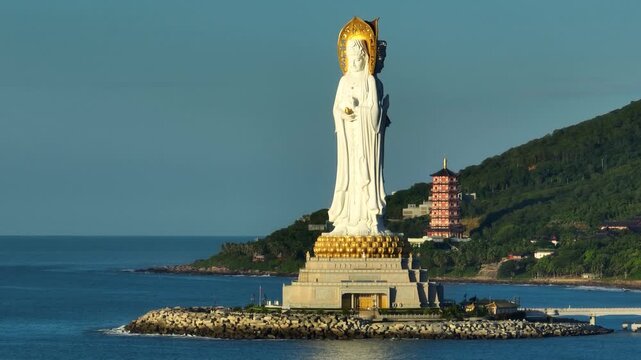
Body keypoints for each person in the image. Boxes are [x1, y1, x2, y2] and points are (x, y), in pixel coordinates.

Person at [328, 39, 387, 236]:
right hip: (348, 137)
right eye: (351, 59)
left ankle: (366, 219)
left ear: (365, 57)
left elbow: (375, 113)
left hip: (365, 138)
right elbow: (335, 109)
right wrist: (343, 112)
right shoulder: (343, 81)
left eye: (358, 58)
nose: (354, 63)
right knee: (348, 175)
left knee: (364, 175)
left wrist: (362, 109)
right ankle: (345, 220)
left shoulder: (370, 81)